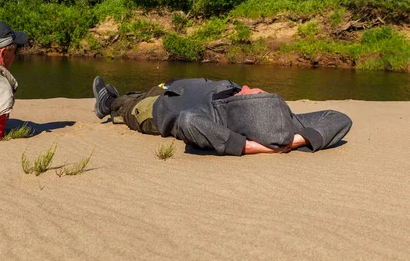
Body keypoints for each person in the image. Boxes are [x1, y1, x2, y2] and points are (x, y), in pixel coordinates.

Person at [93, 76, 352, 155]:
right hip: (179, 87)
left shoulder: (215, 121)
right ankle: (122, 94)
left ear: (246, 111)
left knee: (129, 106)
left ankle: (108, 103)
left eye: (250, 92)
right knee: (147, 90)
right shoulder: (287, 120)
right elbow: (338, 117)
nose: (247, 88)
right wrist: (296, 140)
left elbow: (187, 122)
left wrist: (249, 146)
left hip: (159, 109)